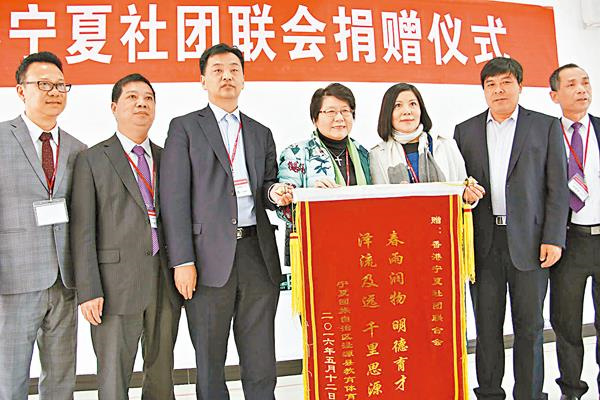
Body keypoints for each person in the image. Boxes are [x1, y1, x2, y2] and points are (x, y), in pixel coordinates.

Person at [160, 43, 290, 400]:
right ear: (203, 80)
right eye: (217, 70)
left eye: (234, 69)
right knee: (210, 359)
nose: (227, 76)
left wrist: (275, 192)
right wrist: (182, 260)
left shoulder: (260, 132)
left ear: (244, 79)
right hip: (206, 258)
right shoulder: (185, 128)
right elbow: (173, 199)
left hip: (256, 254)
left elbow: (265, 186)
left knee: (261, 356)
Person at [454, 57, 569, 400]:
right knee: (487, 328)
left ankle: (530, 394)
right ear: (483, 90)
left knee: (530, 328)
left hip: (531, 243)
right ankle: (489, 393)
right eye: (491, 85)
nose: (499, 90)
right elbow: (458, 186)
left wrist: (554, 238)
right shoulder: (465, 131)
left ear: (520, 86)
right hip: (484, 244)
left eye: (506, 82)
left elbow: (557, 188)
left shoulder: (545, 126)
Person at [70, 73, 182, 400]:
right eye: (132, 97)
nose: (141, 103)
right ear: (114, 107)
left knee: (162, 373)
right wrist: (89, 289)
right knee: (113, 377)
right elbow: (82, 229)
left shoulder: (169, 157)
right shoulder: (92, 159)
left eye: (148, 98)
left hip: (164, 278)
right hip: (114, 285)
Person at [0, 51, 86, 399]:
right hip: (14, 280)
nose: (54, 92)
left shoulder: (78, 150)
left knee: (61, 378)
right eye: (44, 84)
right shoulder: (1, 139)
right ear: (21, 90)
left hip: (65, 281)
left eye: (61, 85)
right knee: (9, 378)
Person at [548, 63, 600, 400]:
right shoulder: (547, 135)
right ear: (554, 95)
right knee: (566, 323)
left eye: (585, 82)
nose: (581, 89)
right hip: (568, 240)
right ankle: (571, 390)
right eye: (571, 84)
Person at [276, 83, 371, 253]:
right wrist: (313, 197)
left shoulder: (364, 154)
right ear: (315, 118)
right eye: (331, 112)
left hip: (360, 243)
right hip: (315, 247)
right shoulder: (296, 153)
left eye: (345, 111)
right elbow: (283, 209)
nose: (339, 118)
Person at [370, 82, 484, 204]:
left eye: (413, 104)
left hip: (443, 215)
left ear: (421, 109)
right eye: (398, 105)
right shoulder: (377, 154)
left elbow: (463, 192)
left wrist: (469, 196)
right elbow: (378, 202)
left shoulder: (446, 145)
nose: (407, 111)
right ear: (388, 113)